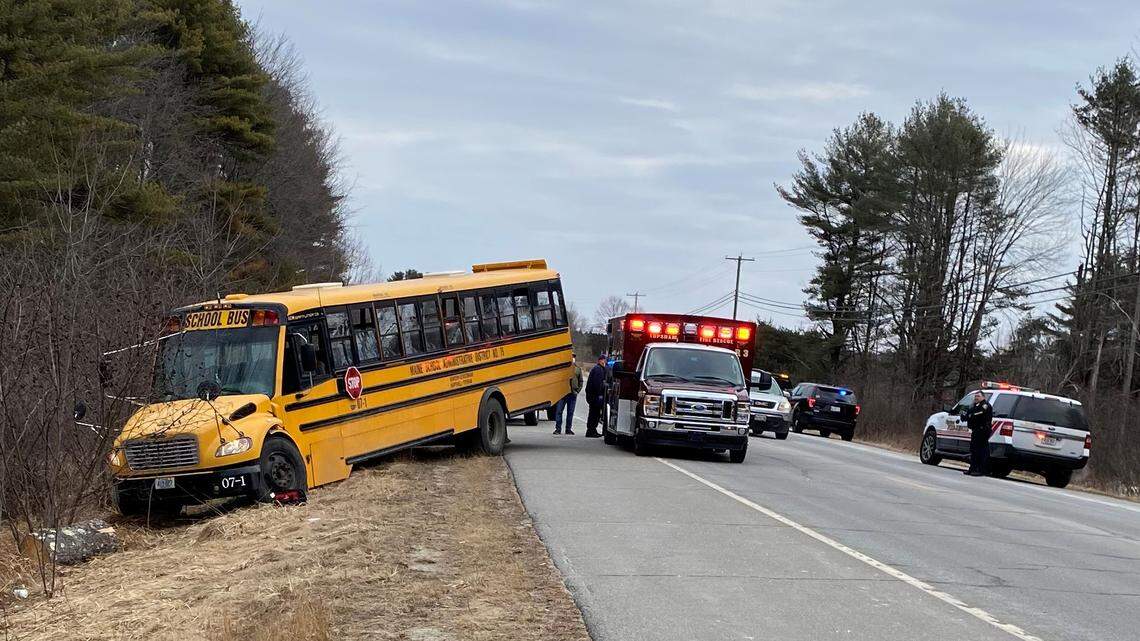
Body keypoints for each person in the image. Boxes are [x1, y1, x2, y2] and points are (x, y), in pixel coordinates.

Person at [964, 390, 993, 476]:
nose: (976, 398)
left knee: (981, 451)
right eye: (975, 396)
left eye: (978, 396)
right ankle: (972, 468)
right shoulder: (975, 406)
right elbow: (969, 413)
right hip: (976, 430)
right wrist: (966, 415)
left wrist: (970, 416)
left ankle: (980, 470)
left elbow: (978, 414)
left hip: (982, 430)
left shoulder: (985, 405)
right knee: (973, 450)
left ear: (983, 397)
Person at [553, 355, 583, 435]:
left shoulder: (578, 369)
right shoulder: (562, 369)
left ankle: (568, 429)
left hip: (572, 394)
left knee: (570, 412)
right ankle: (558, 429)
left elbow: (581, 381)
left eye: (573, 357)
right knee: (559, 411)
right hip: (562, 394)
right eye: (571, 356)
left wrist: (577, 390)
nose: (572, 358)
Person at [584, 354, 607, 438]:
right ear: (600, 360)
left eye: (605, 360)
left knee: (594, 413)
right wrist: (601, 392)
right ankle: (591, 431)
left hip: (592, 395)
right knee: (594, 414)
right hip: (595, 396)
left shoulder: (597, 368)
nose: (604, 361)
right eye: (603, 360)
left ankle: (592, 430)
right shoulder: (598, 369)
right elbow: (597, 384)